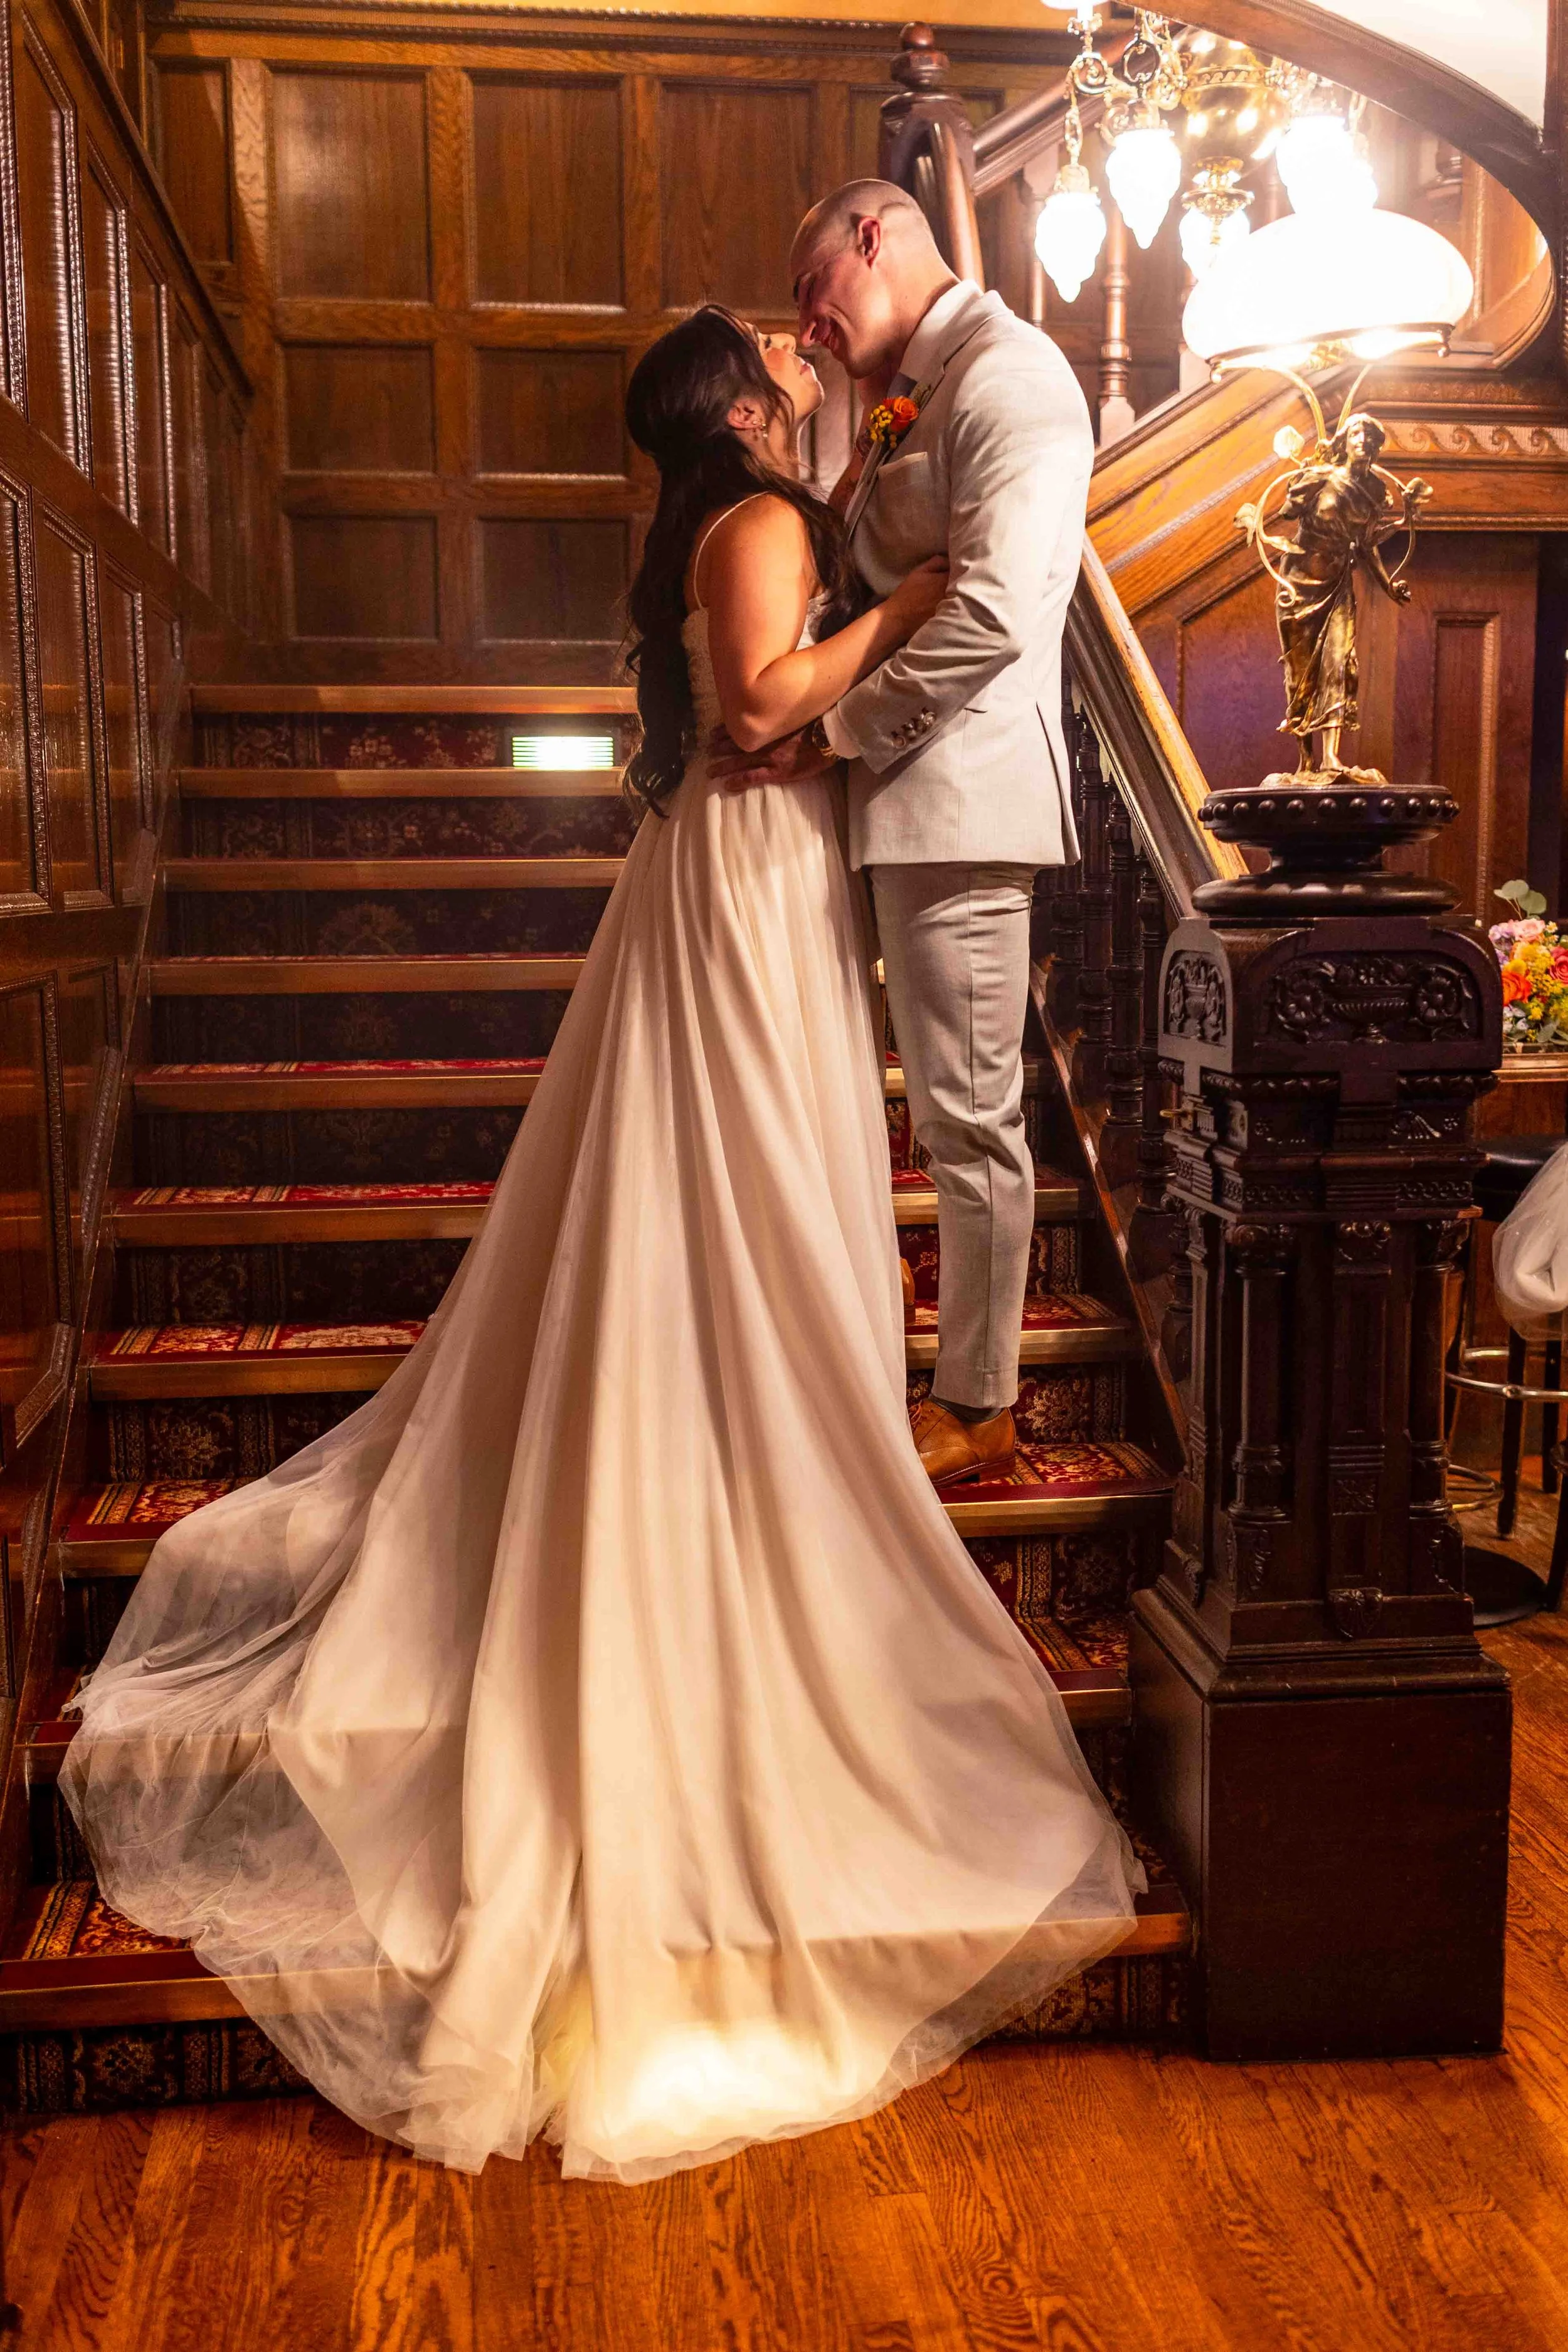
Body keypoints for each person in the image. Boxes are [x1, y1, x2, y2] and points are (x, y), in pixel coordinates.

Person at [60, 305, 1141, 2186]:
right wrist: (923, 594)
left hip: (729, 877)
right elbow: (750, 709)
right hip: (734, 886)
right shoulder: (757, 521)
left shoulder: (747, 510)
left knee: (754, 1197)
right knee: (742, 1201)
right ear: (734, 402)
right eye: (774, 352)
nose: (803, 359)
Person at [716, 180, 1095, 1495]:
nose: (805, 321)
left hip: (960, 804)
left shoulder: (1013, 379)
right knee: (916, 1116)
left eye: (810, 284)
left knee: (968, 1119)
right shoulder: (906, 393)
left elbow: (994, 611)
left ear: (871, 238)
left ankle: (979, 1402)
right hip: (884, 802)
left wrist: (828, 731)